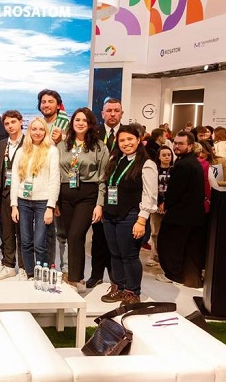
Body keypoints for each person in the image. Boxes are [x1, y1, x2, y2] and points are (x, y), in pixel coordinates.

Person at [100, 125, 157, 305]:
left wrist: (141, 220)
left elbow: (150, 195)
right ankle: (119, 287)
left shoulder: (146, 164)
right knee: (115, 253)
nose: (126, 143)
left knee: (129, 255)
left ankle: (132, 292)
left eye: (130, 139)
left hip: (131, 216)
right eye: (122, 140)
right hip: (111, 215)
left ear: (138, 140)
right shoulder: (116, 160)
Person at [56, 108, 109, 292]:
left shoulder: (99, 147)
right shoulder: (62, 145)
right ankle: (78, 278)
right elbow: (56, 174)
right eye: (77, 120)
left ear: (90, 124)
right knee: (70, 237)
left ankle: (73, 279)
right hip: (65, 194)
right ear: (72, 122)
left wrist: (100, 204)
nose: (80, 123)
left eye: (84, 120)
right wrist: (55, 201)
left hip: (87, 194)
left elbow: (103, 177)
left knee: (76, 235)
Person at [10, 117, 59, 278]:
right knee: (25, 241)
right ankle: (30, 274)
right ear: (29, 131)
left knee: (40, 243)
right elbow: (15, 179)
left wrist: (50, 206)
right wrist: (14, 205)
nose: (37, 132)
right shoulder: (21, 151)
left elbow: (54, 180)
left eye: (41, 129)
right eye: (34, 129)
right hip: (23, 202)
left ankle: (41, 274)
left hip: (43, 203)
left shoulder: (52, 151)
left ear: (46, 131)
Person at [157, 131, 206, 287]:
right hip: (191, 215)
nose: (177, 146)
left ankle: (174, 274)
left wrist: (166, 205)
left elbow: (175, 191)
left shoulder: (184, 164)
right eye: (175, 143)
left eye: (181, 144)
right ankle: (187, 276)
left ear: (190, 146)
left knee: (170, 245)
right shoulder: (190, 162)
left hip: (181, 215)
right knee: (188, 248)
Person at [88, 97, 124, 288]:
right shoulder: (94, 134)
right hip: (98, 192)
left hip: (120, 193)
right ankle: (96, 274)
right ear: (102, 114)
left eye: (116, 110)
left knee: (116, 238)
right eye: (109, 110)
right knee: (98, 237)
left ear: (121, 113)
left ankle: (115, 277)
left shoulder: (127, 134)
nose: (112, 114)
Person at [0, 110, 25, 280]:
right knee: (7, 232)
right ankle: (9, 265)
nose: (10, 126)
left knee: (24, 233)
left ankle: (25, 267)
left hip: (24, 195)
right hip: (4, 195)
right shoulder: (1, 145)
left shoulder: (30, 142)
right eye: (7, 123)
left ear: (21, 122)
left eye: (13, 122)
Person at [38, 89, 69, 272]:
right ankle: (48, 266)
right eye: (43, 101)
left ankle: (66, 268)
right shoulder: (39, 125)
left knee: (63, 230)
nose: (46, 105)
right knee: (47, 230)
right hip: (43, 182)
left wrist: (62, 139)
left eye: (50, 101)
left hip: (62, 181)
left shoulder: (65, 124)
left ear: (58, 105)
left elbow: (72, 149)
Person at [146, 145, 173, 267]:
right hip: (156, 205)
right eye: (164, 155)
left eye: (169, 155)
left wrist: (166, 202)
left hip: (170, 205)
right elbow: (152, 188)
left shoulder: (174, 170)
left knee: (168, 233)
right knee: (155, 232)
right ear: (159, 157)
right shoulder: (155, 171)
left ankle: (166, 256)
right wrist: (159, 203)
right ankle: (155, 255)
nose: (167, 157)